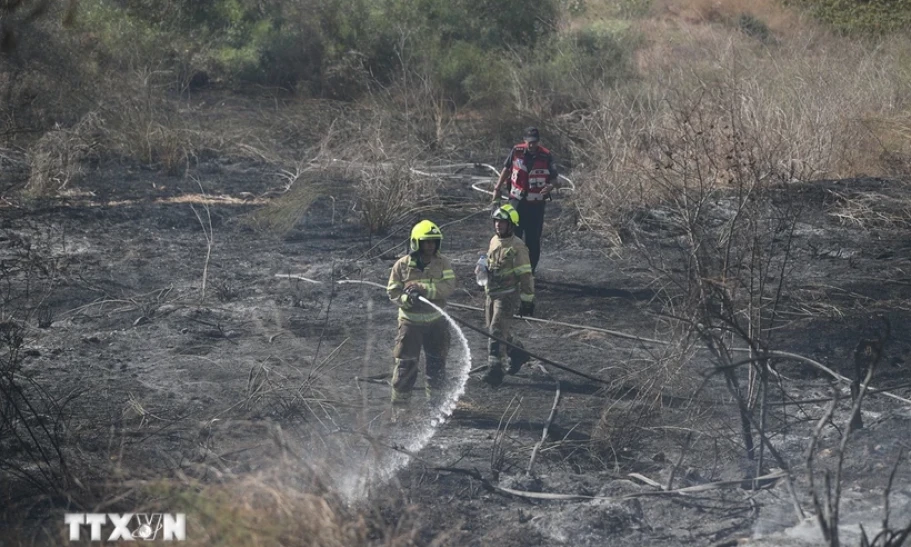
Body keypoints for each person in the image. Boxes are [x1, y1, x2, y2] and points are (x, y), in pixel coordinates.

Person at [386, 220, 456, 406]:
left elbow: (448, 287)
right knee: (405, 366)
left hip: (436, 322)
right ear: (416, 242)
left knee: (437, 364)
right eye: (426, 242)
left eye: (433, 242)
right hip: (410, 324)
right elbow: (393, 291)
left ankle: (436, 406)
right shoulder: (401, 265)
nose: (430, 246)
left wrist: (424, 289)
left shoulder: (443, 263)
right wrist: (406, 300)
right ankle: (400, 409)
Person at [491, 126, 559, 274]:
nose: (532, 145)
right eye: (529, 142)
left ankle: (529, 271)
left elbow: (554, 179)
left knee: (533, 239)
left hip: (536, 204)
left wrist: (550, 187)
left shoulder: (546, 156)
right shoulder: (516, 151)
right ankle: (510, 268)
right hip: (516, 202)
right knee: (513, 235)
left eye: (534, 142)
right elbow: (506, 169)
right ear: (524, 141)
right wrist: (497, 188)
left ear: (538, 142)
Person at [481, 204, 534, 388]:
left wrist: (528, 299)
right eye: (496, 222)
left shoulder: (518, 247)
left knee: (496, 330)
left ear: (511, 224)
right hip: (492, 294)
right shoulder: (494, 241)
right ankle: (517, 352)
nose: (498, 226)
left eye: (502, 222)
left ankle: (495, 370)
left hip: (507, 296)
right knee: (493, 329)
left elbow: (525, 275)